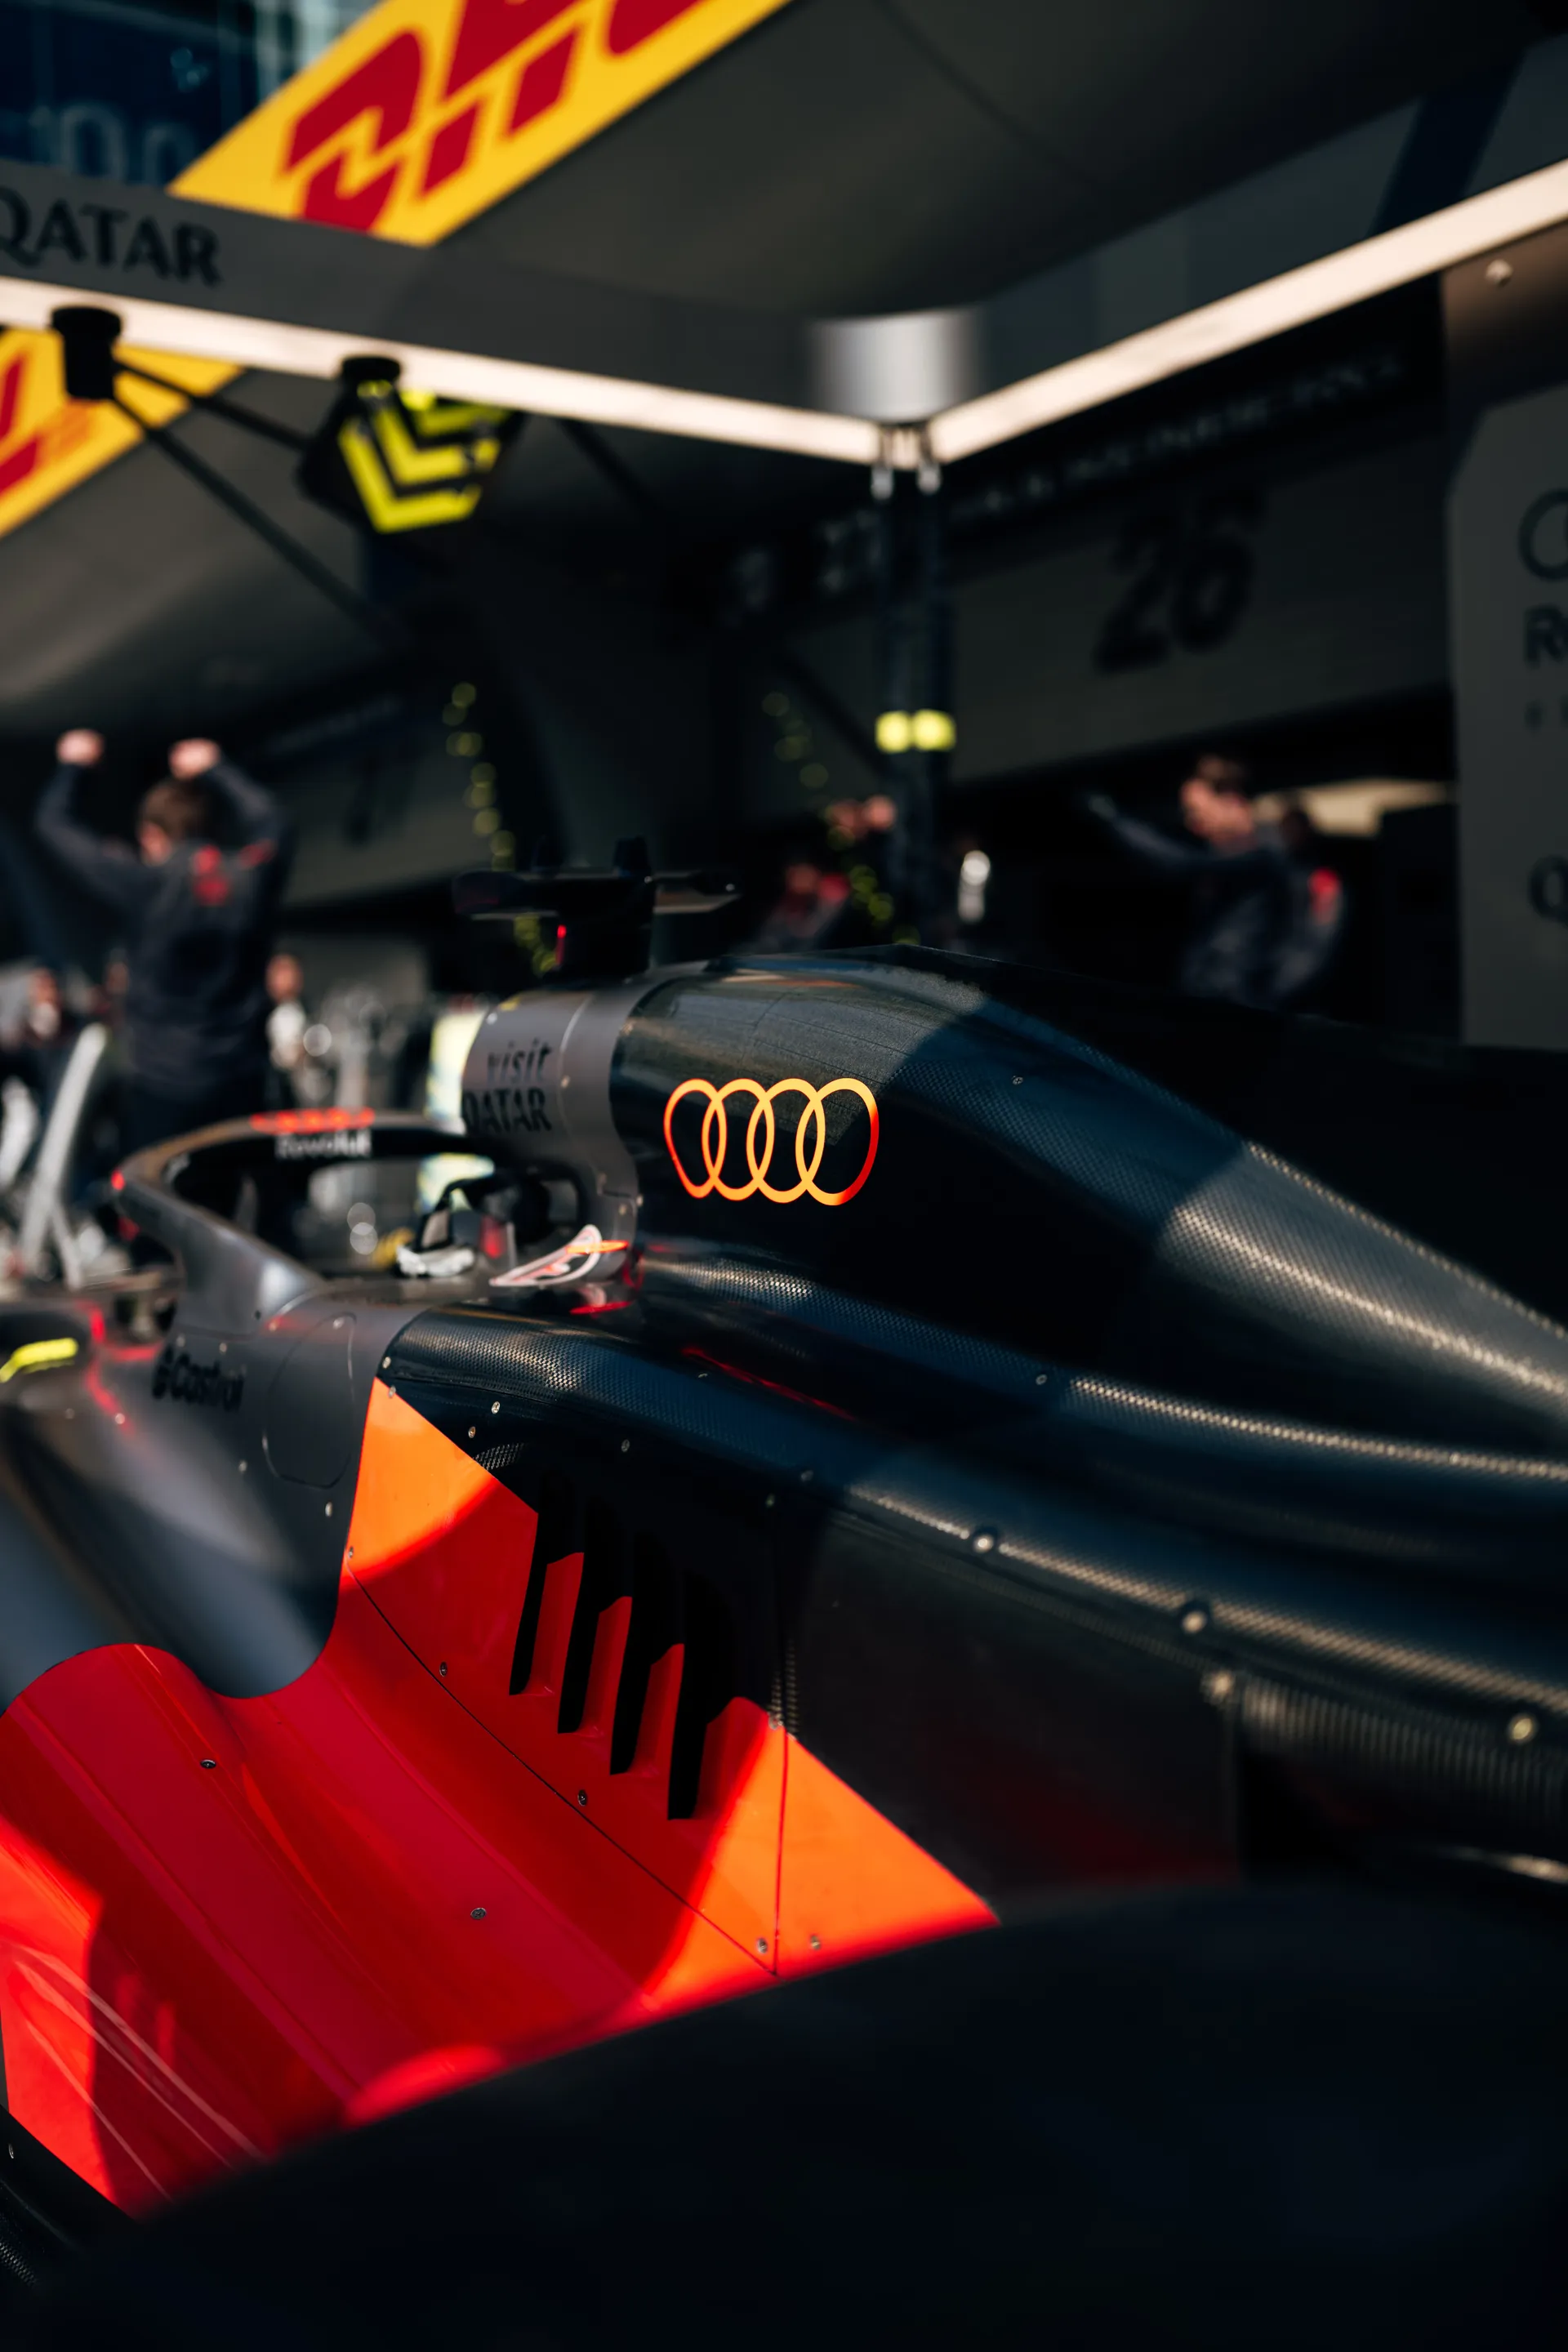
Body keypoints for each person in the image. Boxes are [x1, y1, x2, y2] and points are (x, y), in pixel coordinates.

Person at [36, 730, 293, 1151]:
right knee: (225, 1208)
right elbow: (276, 823)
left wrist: (73, 766)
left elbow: (55, 824)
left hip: (163, 1086)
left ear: (152, 836)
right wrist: (215, 767)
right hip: (240, 1082)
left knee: (157, 1206)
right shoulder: (251, 878)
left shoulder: (144, 881)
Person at [1083, 754, 1308, 1010]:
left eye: (1197, 811)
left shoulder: (1268, 855)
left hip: (1241, 1010)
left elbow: (1182, 865)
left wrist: (1114, 820)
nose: (1193, 823)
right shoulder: (1233, 854)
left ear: (1230, 800)